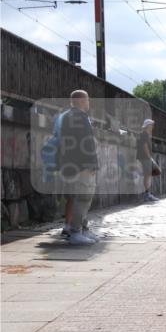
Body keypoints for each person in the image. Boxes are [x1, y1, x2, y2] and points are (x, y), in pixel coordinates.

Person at [60, 90, 99, 246]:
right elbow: (84, 144)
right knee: (82, 198)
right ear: (82, 101)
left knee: (83, 198)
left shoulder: (71, 116)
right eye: (87, 100)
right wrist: (89, 164)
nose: (89, 103)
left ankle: (82, 228)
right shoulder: (78, 117)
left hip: (77, 164)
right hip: (81, 165)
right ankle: (76, 231)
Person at [137, 119, 159, 202]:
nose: (153, 127)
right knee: (148, 175)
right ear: (147, 126)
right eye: (151, 125)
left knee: (148, 175)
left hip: (145, 157)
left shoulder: (145, 134)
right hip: (145, 157)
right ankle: (147, 194)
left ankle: (148, 194)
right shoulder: (144, 134)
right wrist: (149, 158)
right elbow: (145, 146)